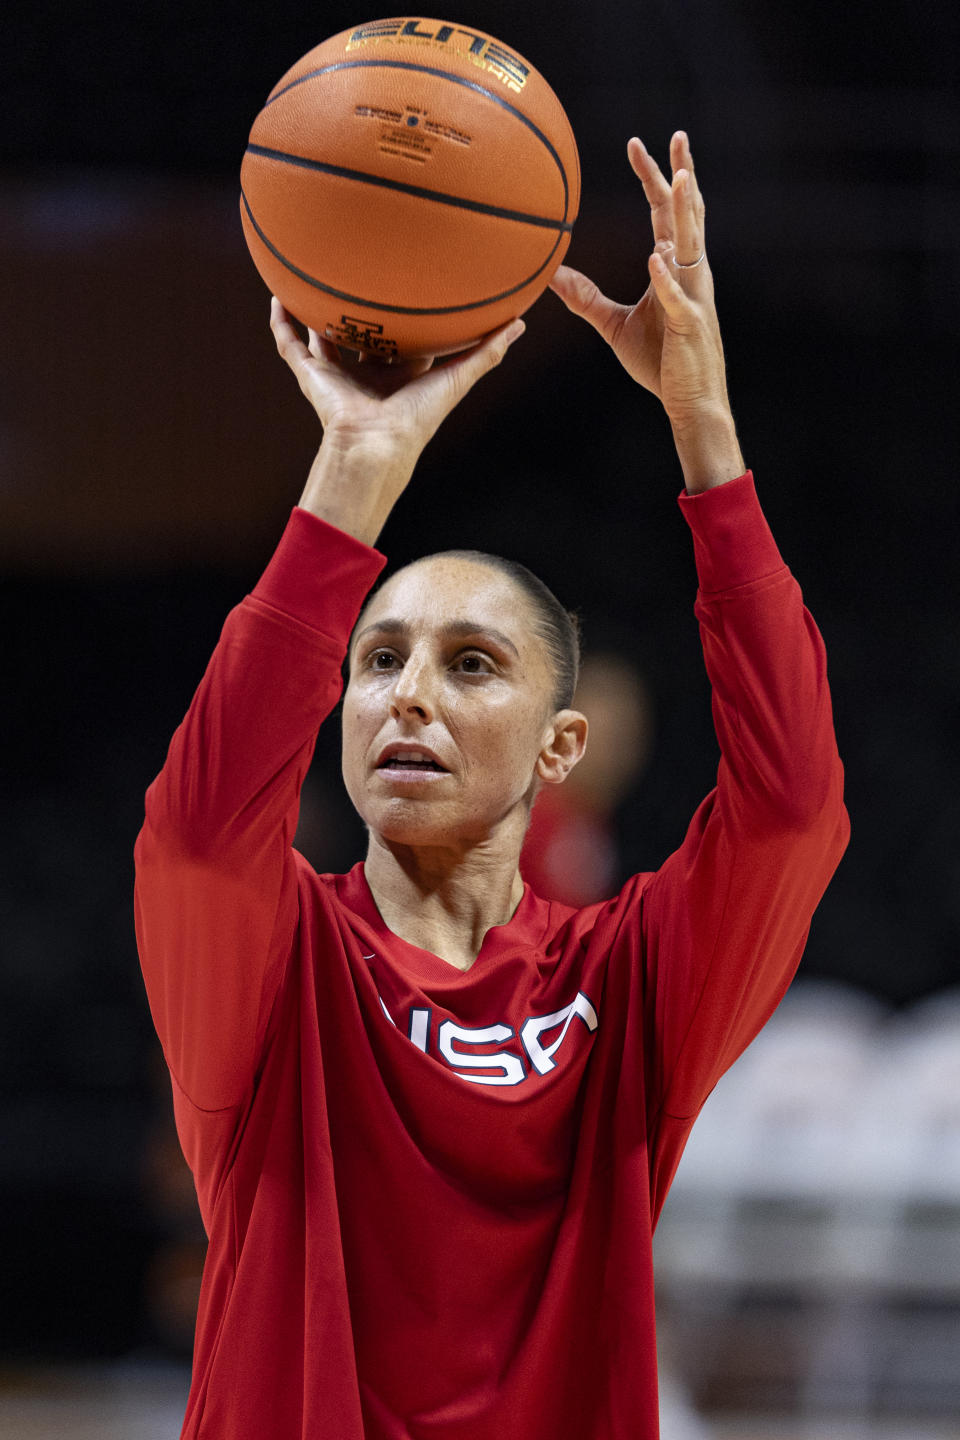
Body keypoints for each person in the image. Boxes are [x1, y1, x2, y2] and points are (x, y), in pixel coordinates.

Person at [135, 133, 849, 1440]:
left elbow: (795, 809)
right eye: (377, 658)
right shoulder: (279, 963)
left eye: (471, 663)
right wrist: (356, 467)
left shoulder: (628, 986)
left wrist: (706, 430)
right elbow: (194, 835)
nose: (407, 692)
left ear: (560, 748)